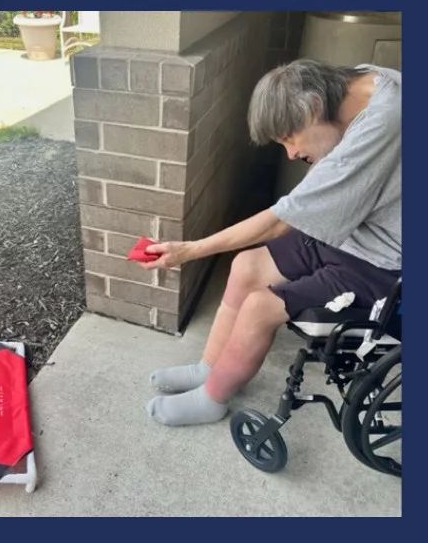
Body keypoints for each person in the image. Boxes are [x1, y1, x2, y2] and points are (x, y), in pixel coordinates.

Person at [143, 59, 400, 427]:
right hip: (351, 233)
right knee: (246, 266)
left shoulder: (384, 121)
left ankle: (212, 399)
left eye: (289, 138)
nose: (291, 154)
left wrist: (190, 250)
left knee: (260, 307)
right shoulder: (357, 82)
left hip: (383, 262)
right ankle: (209, 368)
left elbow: (281, 221)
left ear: (313, 108)